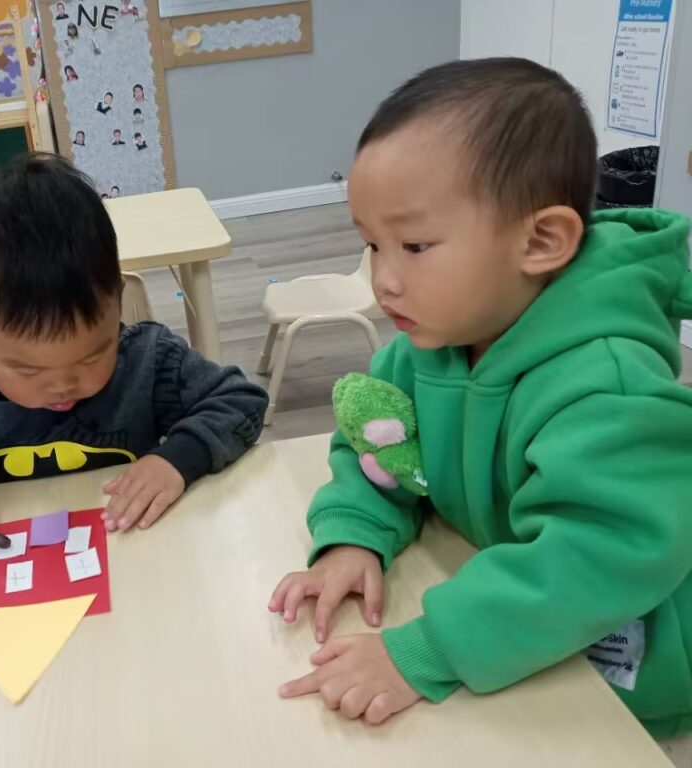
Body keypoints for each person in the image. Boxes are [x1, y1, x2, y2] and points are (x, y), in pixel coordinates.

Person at [269, 57, 692, 736]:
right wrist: (353, 535)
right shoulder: (428, 341)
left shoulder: (607, 387)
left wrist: (427, 650)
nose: (383, 280)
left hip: (626, 670)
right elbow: (381, 449)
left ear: (542, 241)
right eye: (372, 245)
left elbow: (598, 558)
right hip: (502, 624)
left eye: (414, 245)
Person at [0, 154, 268, 545]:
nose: (63, 384)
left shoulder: (148, 361)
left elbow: (240, 401)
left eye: (91, 356)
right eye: (27, 369)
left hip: (131, 556)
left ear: (117, 303)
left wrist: (178, 459)